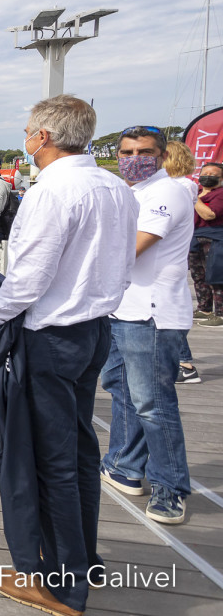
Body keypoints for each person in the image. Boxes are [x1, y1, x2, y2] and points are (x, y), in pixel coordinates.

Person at [0, 95, 138, 616]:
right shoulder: (116, 188)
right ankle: (79, 556)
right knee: (81, 451)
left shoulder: (52, 192)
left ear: (42, 137)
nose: (25, 138)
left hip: (50, 337)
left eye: (27, 131)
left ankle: (61, 585)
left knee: (47, 460)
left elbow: (29, 277)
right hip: (93, 331)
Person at [99, 126, 192, 526]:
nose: (134, 158)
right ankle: (125, 466)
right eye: (126, 151)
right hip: (122, 309)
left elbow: (133, 247)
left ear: (162, 154)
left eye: (144, 151)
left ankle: (170, 487)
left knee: (153, 403)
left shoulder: (167, 192)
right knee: (122, 391)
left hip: (153, 315)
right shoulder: (131, 192)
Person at [163, 140, 204, 382]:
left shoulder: (180, 186)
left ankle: (185, 364)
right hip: (174, 257)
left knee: (169, 315)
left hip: (168, 258)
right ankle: (182, 361)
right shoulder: (184, 185)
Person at [190, 161, 223, 331]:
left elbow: (209, 214)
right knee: (199, 276)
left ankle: (220, 313)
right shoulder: (196, 192)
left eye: (213, 174)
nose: (208, 177)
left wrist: (194, 198)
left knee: (216, 277)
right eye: (205, 173)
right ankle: (204, 308)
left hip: (215, 238)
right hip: (195, 238)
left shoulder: (220, 194)